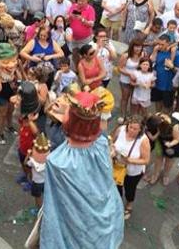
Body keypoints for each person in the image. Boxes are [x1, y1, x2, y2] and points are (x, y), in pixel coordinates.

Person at [32, 90, 124, 248]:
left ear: (71, 122)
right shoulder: (102, 144)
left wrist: (38, 159)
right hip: (103, 219)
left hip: (71, 225)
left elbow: (51, 194)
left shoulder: (59, 161)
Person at [112, 115, 151, 220]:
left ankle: (129, 205)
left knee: (129, 189)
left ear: (140, 129)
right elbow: (112, 142)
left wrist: (130, 160)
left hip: (133, 171)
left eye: (135, 129)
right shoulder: (120, 130)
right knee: (116, 188)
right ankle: (117, 204)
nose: (132, 130)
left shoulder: (143, 140)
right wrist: (112, 151)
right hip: (117, 167)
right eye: (130, 127)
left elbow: (146, 160)